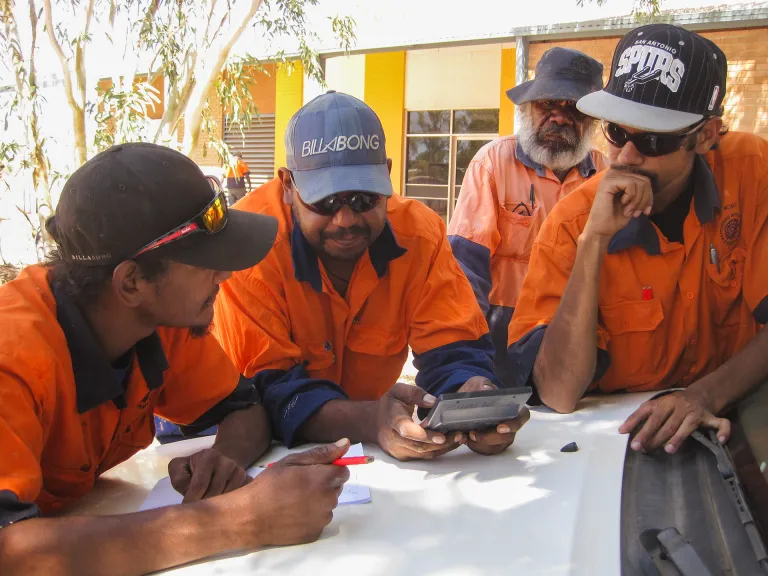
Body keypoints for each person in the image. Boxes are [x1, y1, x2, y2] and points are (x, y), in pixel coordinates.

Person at [0, 143, 351, 575]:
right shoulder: (12, 359)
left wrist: (224, 461)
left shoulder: (156, 319)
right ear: (131, 283)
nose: (224, 275)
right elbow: (9, 552)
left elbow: (244, 407)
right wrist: (243, 518)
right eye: (205, 262)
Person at [213, 91, 530, 461]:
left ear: (388, 176)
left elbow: (454, 349)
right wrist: (371, 420)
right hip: (260, 451)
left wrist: (473, 398)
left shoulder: (420, 236)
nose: (345, 220)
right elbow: (270, 390)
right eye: (324, 202)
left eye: (364, 199)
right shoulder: (251, 247)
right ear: (288, 186)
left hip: (376, 457)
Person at [507, 24, 768, 455]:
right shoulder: (571, 224)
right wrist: (593, 242)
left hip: (734, 423)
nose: (626, 156)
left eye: (651, 139)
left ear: (705, 135)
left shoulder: (752, 173)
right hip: (615, 447)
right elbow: (557, 393)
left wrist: (702, 396)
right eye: (616, 133)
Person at [448, 47, 606, 385]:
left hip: (579, 334)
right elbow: (465, 271)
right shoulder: (492, 163)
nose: (560, 117)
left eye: (575, 108)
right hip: (498, 336)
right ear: (526, 109)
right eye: (547, 104)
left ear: (591, 120)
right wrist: (466, 362)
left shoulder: (607, 175)